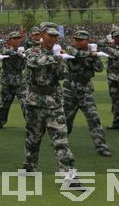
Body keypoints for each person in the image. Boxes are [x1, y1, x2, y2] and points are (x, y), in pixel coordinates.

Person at [23, 22, 77, 184]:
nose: (53, 38)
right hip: (35, 102)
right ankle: (29, 167)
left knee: (61, 141)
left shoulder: (59, 54)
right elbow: (34, 62)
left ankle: (69, 176)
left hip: (54, 102)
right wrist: (56, 57)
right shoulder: (31, 51)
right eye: (50, 35)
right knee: (33, 140)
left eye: (55, 36)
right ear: (41, 35)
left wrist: (59, 59)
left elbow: (62, 75)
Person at [63, 30, 111, 156]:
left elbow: (99, 68)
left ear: (87, 41)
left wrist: (95, 57)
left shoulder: (92, 53)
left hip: (86, 90)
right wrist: (93, 53)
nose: (77, 42)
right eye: (76, 39)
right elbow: (77, 54)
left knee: (93, 118)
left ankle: (101, 146)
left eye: (81, 40)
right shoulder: (70, 48)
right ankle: (61, 142)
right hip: (70, 90)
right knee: (66, 119)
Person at [0, 31, 28, 128]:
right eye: (15, 39)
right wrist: (18, 54)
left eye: (18, 38)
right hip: (7, 80)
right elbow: (4, 52)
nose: (17, 40)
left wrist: (22, 53)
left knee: (25, 103)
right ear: (9, 40)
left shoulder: (22, 50)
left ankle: (31, 123)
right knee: (4, 104)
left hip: (19, 80)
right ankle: (1, 122)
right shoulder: (5, 48)